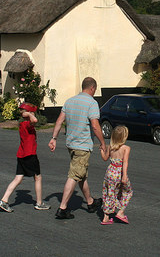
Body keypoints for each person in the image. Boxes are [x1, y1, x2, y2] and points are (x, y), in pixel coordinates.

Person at [49, 77, 106, 219]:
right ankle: (62, 208)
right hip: (83, 145)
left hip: (71, 144)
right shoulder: (92, 103)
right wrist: (102, 143)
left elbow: (59, 121)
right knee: (75, 175)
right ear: (92, 88)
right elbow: (95, 125)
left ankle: (90, 202)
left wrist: (54, 138)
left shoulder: (70, 101)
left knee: (81, 174)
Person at [0, 102, 51, 212]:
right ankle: (39, 203)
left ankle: (4, 200)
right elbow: (35, 121)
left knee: (18, 178)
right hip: (29, 155)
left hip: (21, 155)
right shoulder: (27, 124)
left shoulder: (21, 124)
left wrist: (28, 114)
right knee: (38, 177)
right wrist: (29, 114)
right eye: (32, 112)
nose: (34, 115)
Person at [99, 125, 133, 225]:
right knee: (128, 191)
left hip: (110, 172)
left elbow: (105, 158)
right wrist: (124, 176)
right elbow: (125, 162)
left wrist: (102, 150)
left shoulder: (111, 147)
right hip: (119, 172)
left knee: (110, 193)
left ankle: (106, 217)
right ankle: (121, 212)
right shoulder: (126, 148)